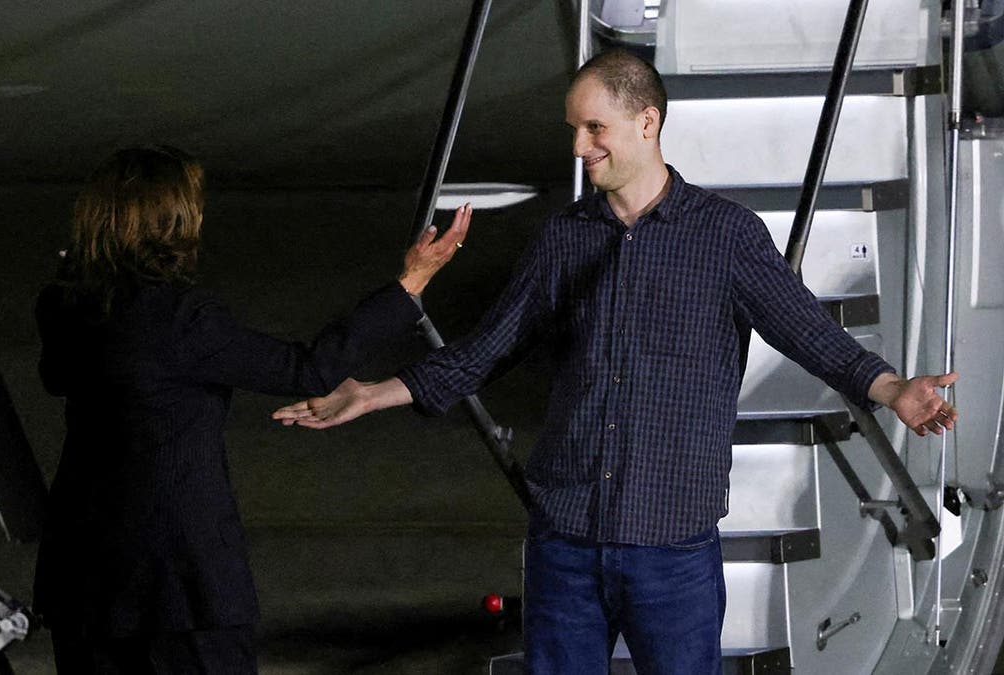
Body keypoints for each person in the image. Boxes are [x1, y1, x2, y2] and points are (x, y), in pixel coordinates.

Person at [272, 49, 958, 674]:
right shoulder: (564, 237)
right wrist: (373, 392)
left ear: (646, 122)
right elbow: (489, 348)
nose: (580, 146)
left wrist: (892, 387)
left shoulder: (724, 236)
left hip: (670, 550)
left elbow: (808, 331)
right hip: (564, 540)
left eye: (594, 128)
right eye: (575, 129)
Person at [32, 145, 470, 674]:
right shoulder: (181, 318)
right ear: (172, 222)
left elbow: (60, 378)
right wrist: (411, 283)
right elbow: (308, 369)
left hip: (82, 576)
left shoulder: (61, 309)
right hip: (180, 582)